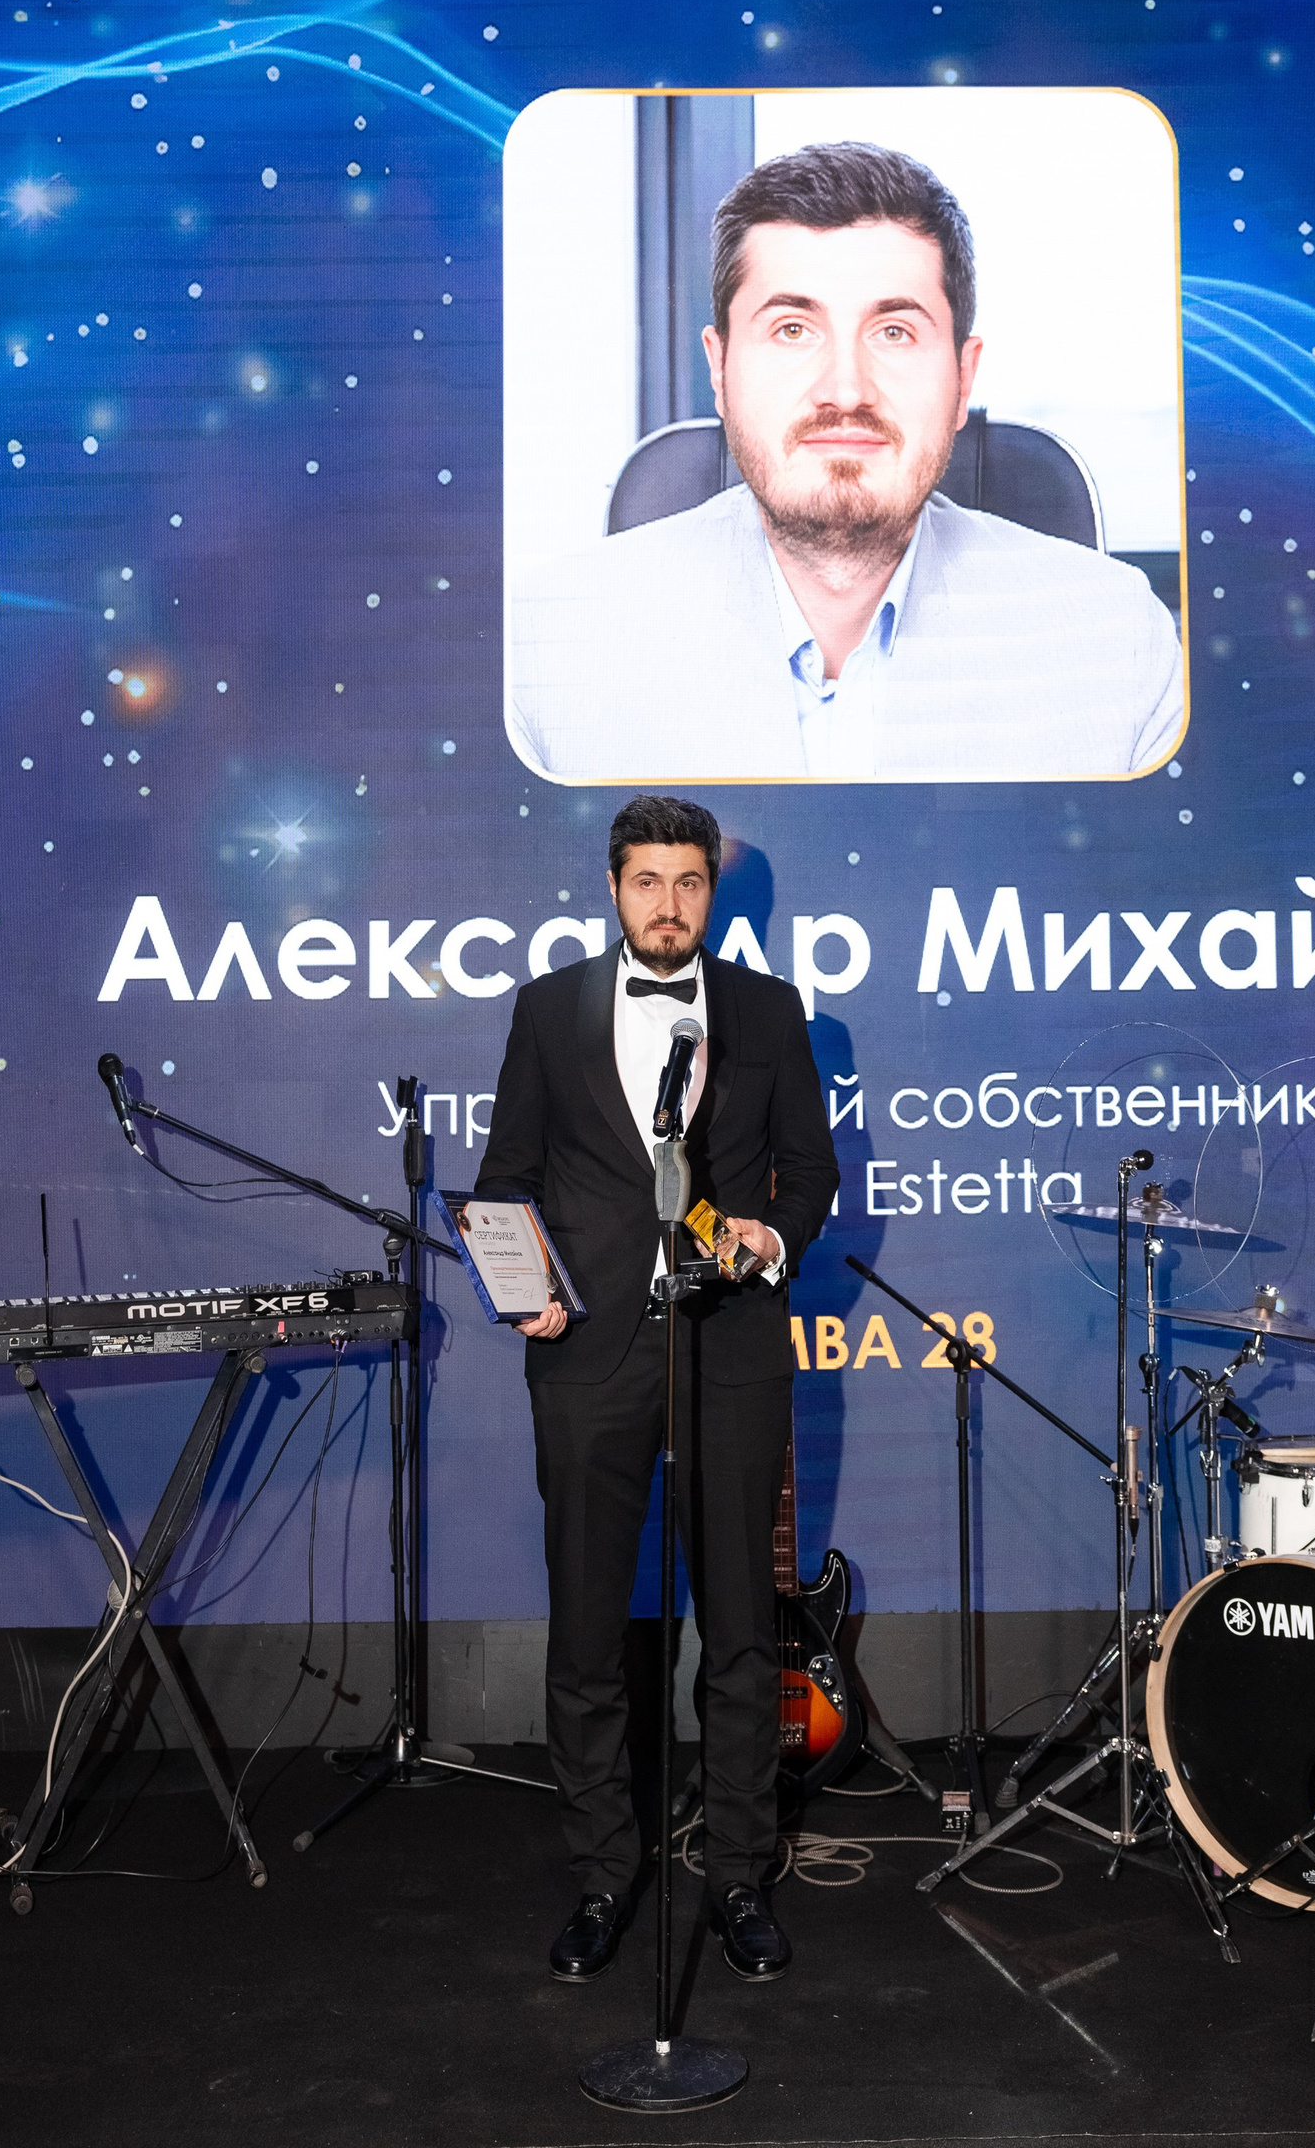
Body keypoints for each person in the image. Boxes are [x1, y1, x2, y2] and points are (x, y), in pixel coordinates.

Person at [472, 793, 838, 1985]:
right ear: (614, 886)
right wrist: (521, 1287)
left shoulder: (770, 1011)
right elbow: (508, 1175)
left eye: (689, 882)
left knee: (739, 1632)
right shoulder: (549, 1009)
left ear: (711, 891)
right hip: (587, 1354)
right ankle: (599, 1877)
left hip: (730, 1347)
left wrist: (771, 1237)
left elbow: (811, 1171)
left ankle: (737, 1877)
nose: (669, 904)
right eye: (648, 882)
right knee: (588, 1633)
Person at [509, 138, 1185, 783]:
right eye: (792, 330)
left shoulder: (1119, 648)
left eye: (894, 332)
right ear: (719, 368)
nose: (845, 390)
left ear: (963, 378)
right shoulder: (546, 653)